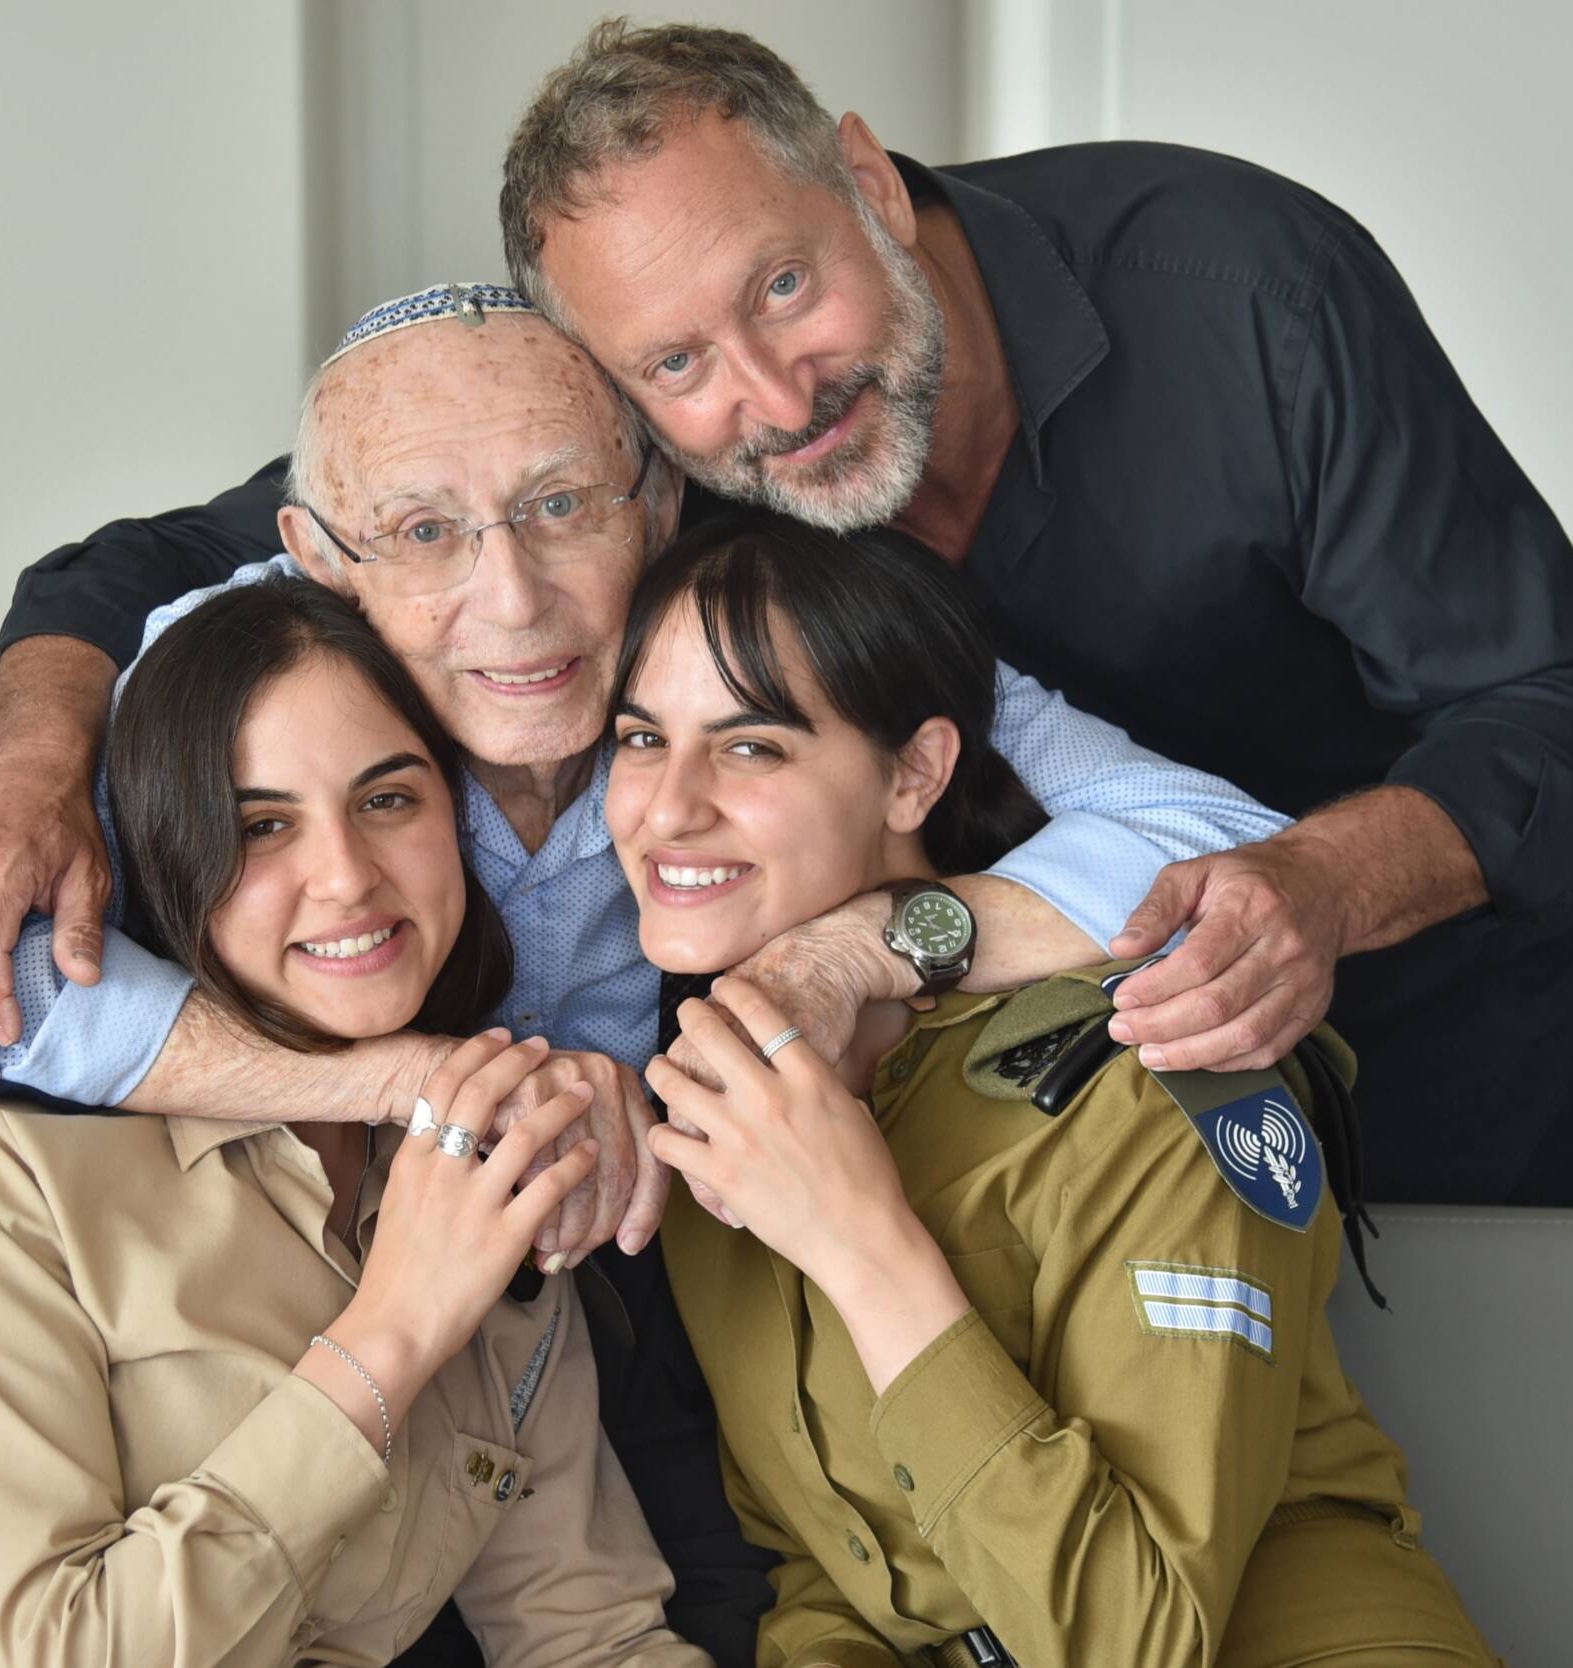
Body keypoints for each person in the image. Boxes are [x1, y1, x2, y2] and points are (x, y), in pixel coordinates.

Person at [0, 20, 1573, 1210]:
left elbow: (1560, 703)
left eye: (789, 285)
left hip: (1453, 1040)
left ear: (871, 183)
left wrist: (1311, 891)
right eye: (674, 364)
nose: (766, 394)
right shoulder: (639, 465)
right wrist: (23, 784)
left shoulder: (1243, 285)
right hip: (1029, 1128)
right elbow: (133, 574)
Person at [0, 287, 1289, 1667]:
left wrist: (844, 949)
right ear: (319, 554)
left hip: (640, 1300)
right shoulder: (245, 682)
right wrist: (419, 1079)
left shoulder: (723, 639)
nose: (514, 599)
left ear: (652, 503)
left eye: (560, 507)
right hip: (316, 1325)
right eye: (424, 532)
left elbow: (1209, 837)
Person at [0, 579, 705, 1668]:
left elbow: (589, 1633)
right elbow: (66, 1651)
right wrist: (397, 1327)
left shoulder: (485, 1152)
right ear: (163, 858)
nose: (345, 877)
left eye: (388, 800)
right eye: (260, 825)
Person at [616, 509, 1498, 1668]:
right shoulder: (710, 1105)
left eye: (751, 746)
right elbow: (834, 1573)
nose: (667, 808)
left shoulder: (1149, 1063)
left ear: (917, 772)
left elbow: (1139, 1640)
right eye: (639, 739)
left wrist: (856, 1239)